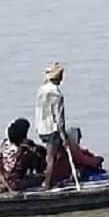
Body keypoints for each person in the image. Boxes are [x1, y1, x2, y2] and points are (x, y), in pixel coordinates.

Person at [35, 62, 69, 190]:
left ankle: (54, 179)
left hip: (41, 127)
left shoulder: (41, 89)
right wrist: (63, 135)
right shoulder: (56, 94)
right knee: (51, 158)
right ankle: (47, 183)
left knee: (55, 154)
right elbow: (59, 118)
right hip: (51, 129)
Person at [0, 117, 43, 191]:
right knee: (41, 179)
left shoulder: (4, 143)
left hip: (5, 177)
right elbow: (40, 151)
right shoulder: (23, 149)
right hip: (15, 181)